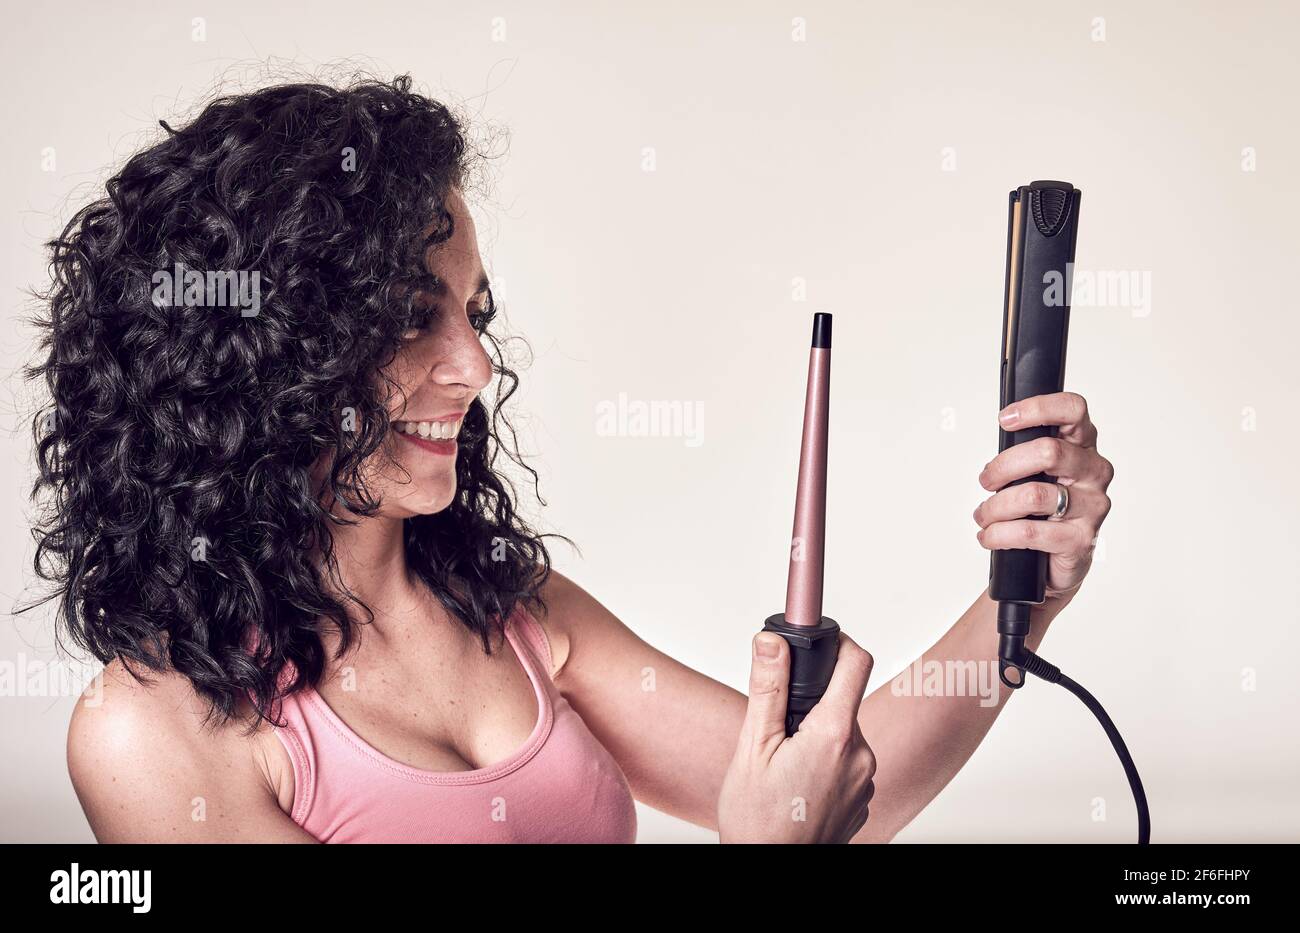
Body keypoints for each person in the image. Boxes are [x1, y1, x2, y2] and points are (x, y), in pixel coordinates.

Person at [30, 76, 1114, 843]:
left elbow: (824, 787)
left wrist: (1019, 608)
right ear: (257, 349)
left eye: (475, 313)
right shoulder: (150, 733)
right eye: (412, 317)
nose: (473, 368)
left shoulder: (505, 605)